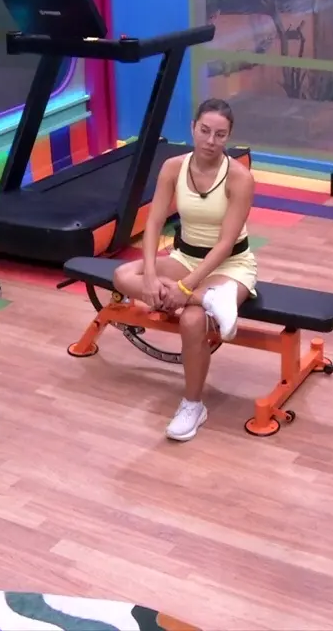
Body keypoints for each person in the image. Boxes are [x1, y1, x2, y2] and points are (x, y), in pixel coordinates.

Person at [111, 98, 257, 442]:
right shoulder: (173, 167)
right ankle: (209, 300)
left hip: (229, 265)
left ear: (229, 136)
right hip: (185, 258)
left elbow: (225, 244)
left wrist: (186, 288)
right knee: (122, 276)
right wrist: (150, 276)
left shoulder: (240, 178)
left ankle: (193, 405)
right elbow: (153, 222)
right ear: (193, 128)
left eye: (220, 134)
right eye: (204, 131)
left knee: (191, 321)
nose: (210, 140)